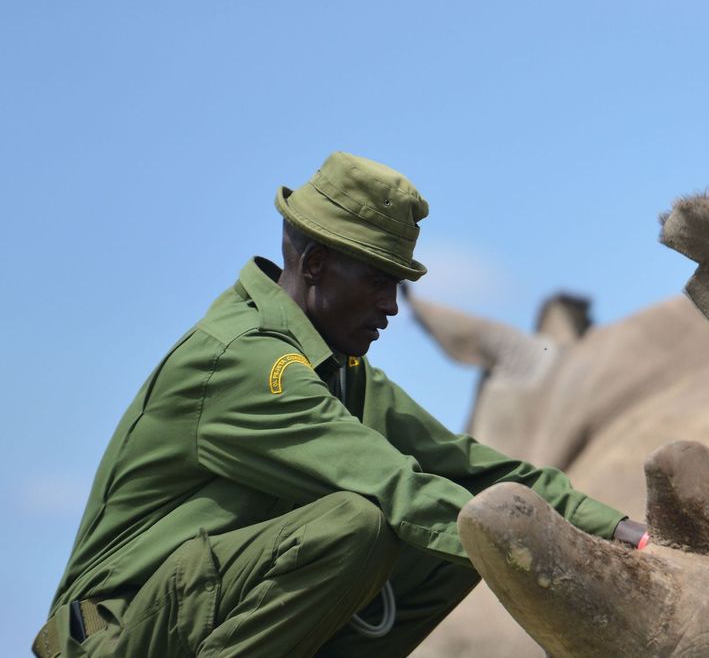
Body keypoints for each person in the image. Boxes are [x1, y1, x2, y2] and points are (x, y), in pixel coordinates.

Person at [33, 152, 646, 658]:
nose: (391, 307)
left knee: (477, 523)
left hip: (192, 617)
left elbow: (469, 468)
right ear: (316, 264)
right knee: (370, 521)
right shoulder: (243, 360)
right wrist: (573, 570)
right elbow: (393, 486)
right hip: (120, 634)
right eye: (379, 281)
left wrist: (622, 536)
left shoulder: (340, 372)